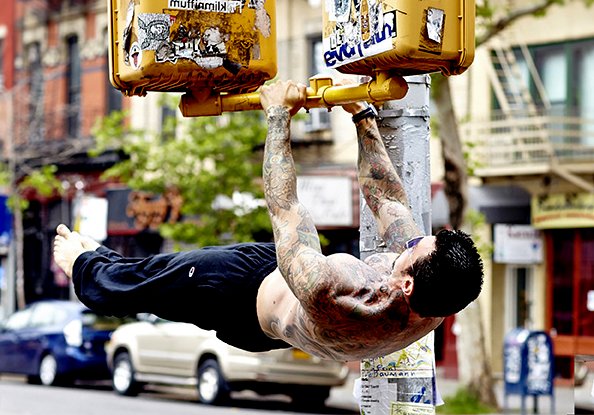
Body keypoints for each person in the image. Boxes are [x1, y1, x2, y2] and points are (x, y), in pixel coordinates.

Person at [53, 80, 483, 362]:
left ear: (407, 283)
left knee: (147, 284)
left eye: (413, 248)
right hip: (283, 306)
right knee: (156, 272)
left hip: (240, 295)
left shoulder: (334, 290)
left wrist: (277, 116)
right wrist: (363, 117)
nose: (410, 242)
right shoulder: (439, 297)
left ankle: (84, 267)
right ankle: (100, 256)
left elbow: (284, 207)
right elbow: (388, 198)